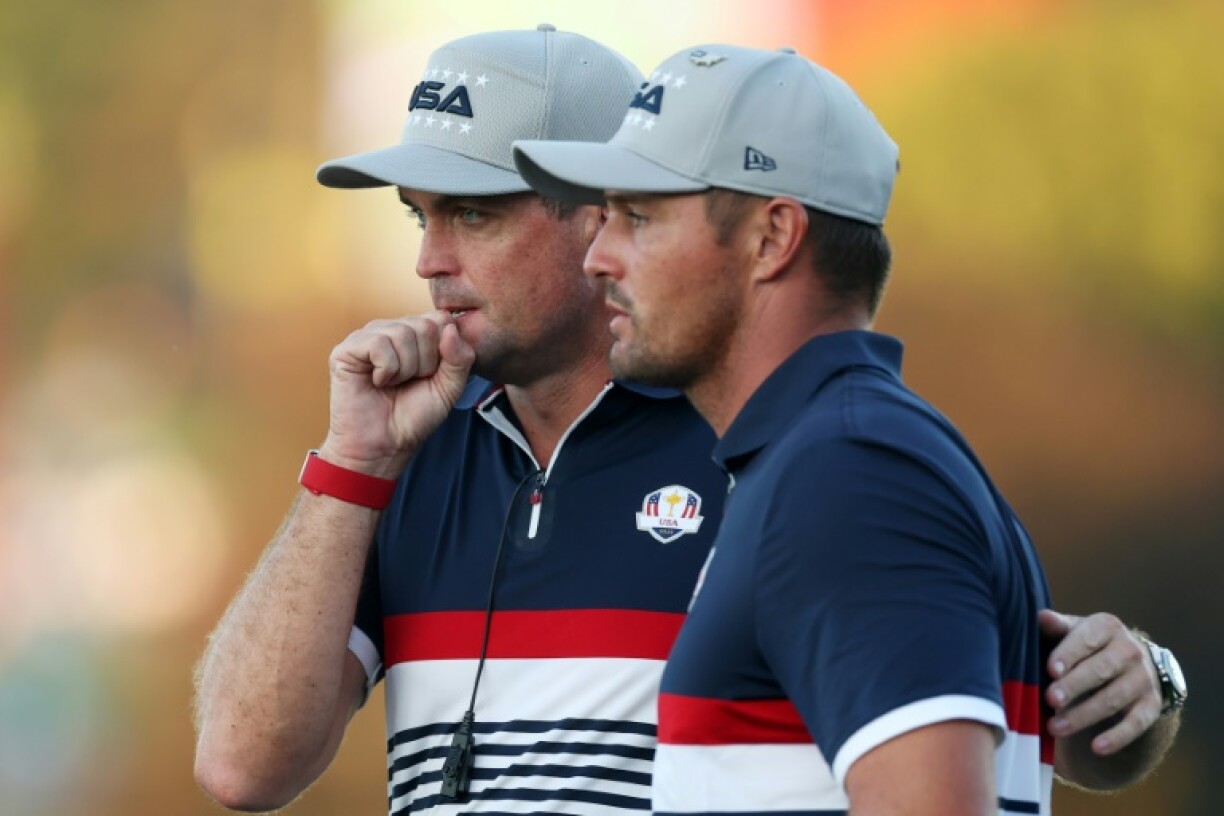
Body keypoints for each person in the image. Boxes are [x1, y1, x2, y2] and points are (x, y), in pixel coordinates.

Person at [191, 26, 1180, 816]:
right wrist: (350, 464)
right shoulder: (404, 451)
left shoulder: (795, 448)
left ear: (596, 215)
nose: (429, 261)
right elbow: (242, 767)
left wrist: (1145, 684)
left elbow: (996, 690)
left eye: (475, 214)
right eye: (421, 217)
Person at [513, 43, 1184, 814]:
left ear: (773, 238)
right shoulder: (823, 458)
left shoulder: (851, 473)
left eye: (638, 216)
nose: (598, 257)